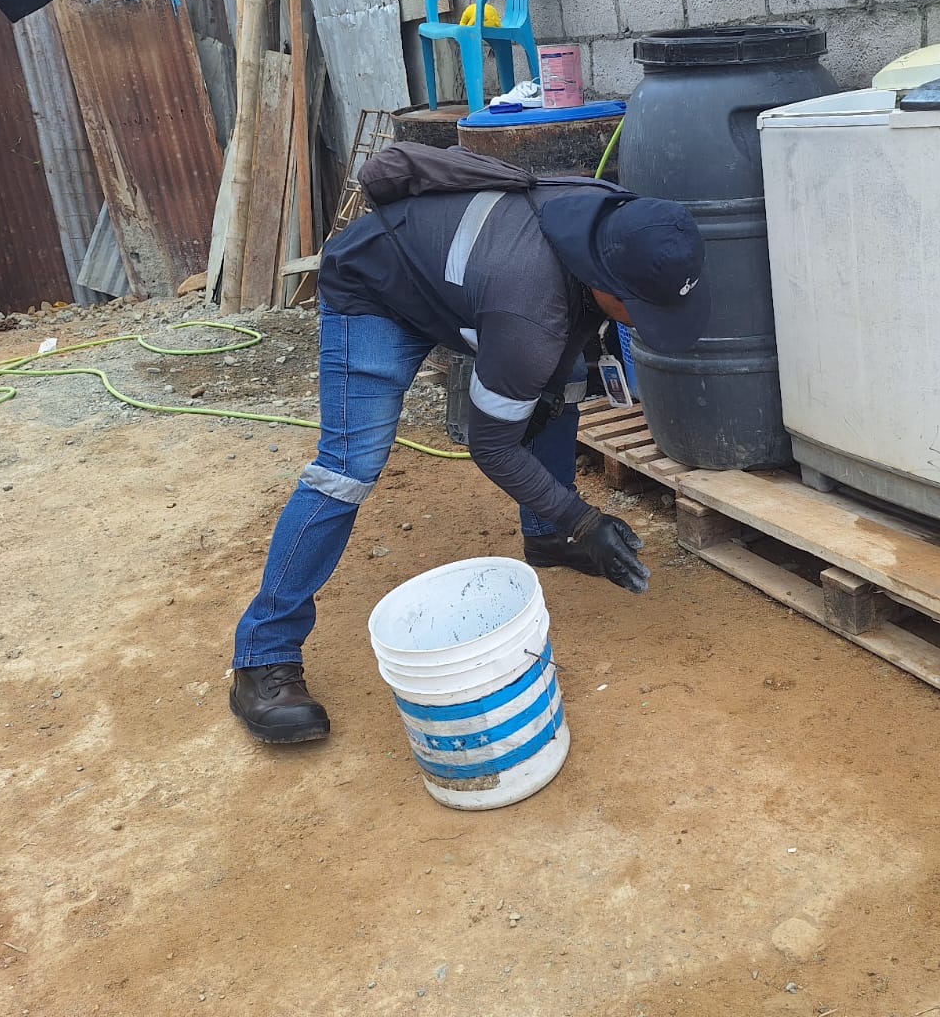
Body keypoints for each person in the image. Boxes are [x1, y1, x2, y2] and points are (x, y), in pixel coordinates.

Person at [229, 144, 709, 744]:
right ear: (605, 281)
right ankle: (262, 656)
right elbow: (492, 445)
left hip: (463, 287)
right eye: (642, 311)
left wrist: (562, 518)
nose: (646, 323)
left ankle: (546, 536)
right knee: (348, 467)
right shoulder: (529, 312)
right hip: (373, 290)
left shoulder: (615, 219)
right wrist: (585, 521)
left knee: (559, 388)